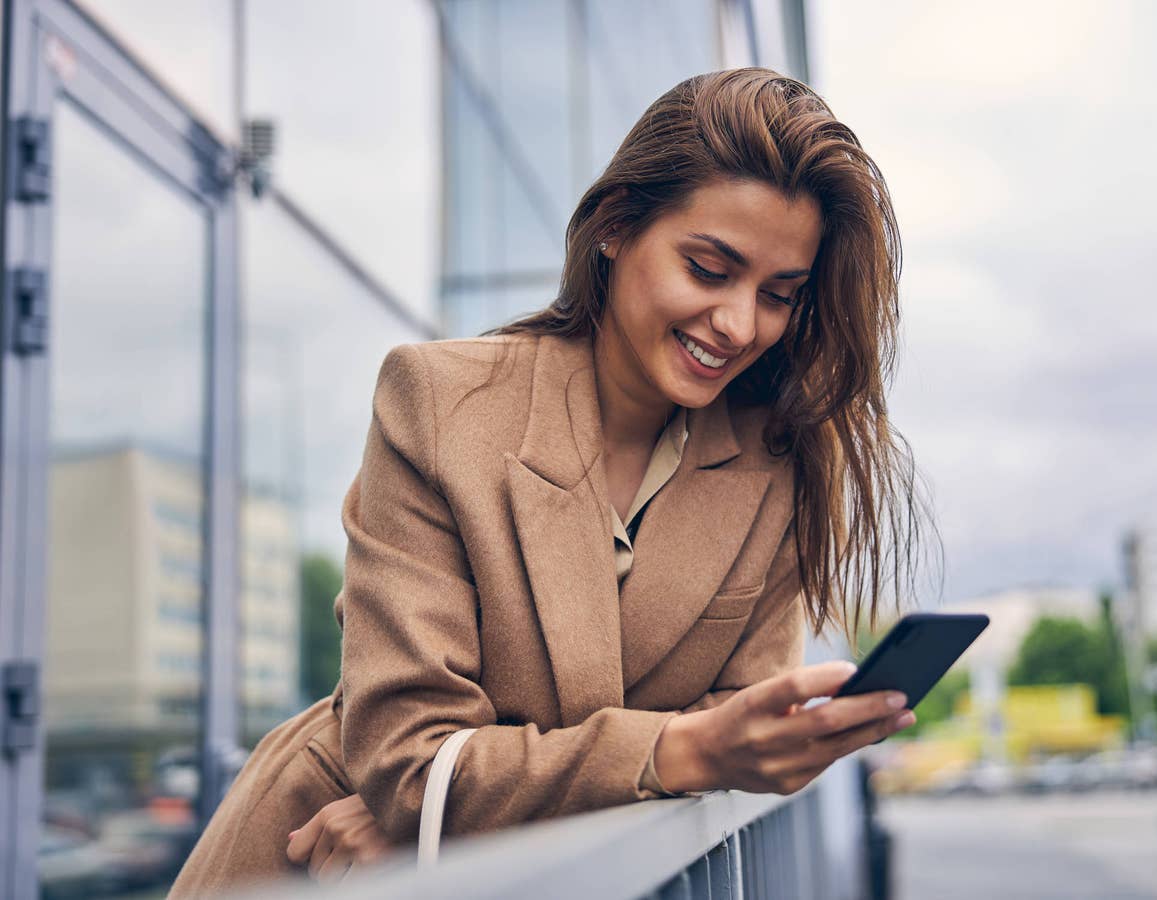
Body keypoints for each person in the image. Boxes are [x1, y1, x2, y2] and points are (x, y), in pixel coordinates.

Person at [167, 66, 933, 897]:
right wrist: (679, 748)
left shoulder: (776, 466)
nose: (741, 325)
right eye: (709, 269)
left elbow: (744, 733)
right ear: (614, 228)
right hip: (317, 861)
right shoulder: (440, 404)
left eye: (779, 295)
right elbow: (410, 762)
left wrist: (463, 813)